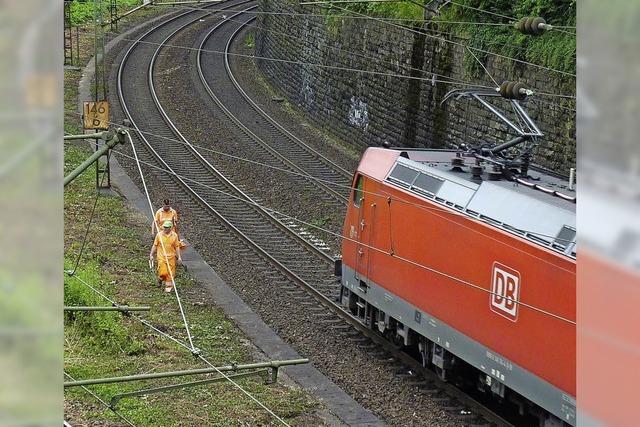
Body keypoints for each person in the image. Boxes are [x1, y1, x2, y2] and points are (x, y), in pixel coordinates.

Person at [149, 220, 182, 293]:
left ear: (170, 228)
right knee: (163, 272)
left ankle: (167, 291)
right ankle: (160, 278)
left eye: (167, 227)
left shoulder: (174, 235)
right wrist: (151, 254)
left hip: (171, 257)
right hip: (162, 257)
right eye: (164, 227)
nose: (165, 229)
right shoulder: (159, 235)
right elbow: (155, 245)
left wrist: (179, 257)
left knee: (170, 275)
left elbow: (176, 247)